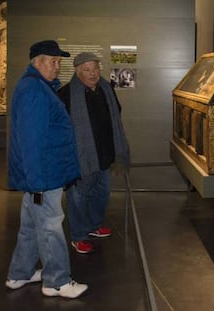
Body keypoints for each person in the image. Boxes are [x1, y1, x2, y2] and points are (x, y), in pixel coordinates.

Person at [5, 40, 88, 298]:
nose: (57, 67)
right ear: (38, 62)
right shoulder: (34, 91)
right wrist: (38, 181)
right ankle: (56, 281)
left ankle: (20, 273)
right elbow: (31, 141)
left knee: (31, 226)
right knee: (51, 226)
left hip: (41, 175)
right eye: (53, 62)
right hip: (44, 176)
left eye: (59, 62)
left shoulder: (37, 86)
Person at [58, 52, 130, 254]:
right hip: (81, 159)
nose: (93, 73)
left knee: (102, 193)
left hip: (105, 155)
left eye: (95, 68)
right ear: (77, 72)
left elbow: (117, 113)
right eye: (87, 70)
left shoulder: (107, 89)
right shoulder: (66, 95)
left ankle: (94, 226)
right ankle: (79, 235)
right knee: (79, 197)